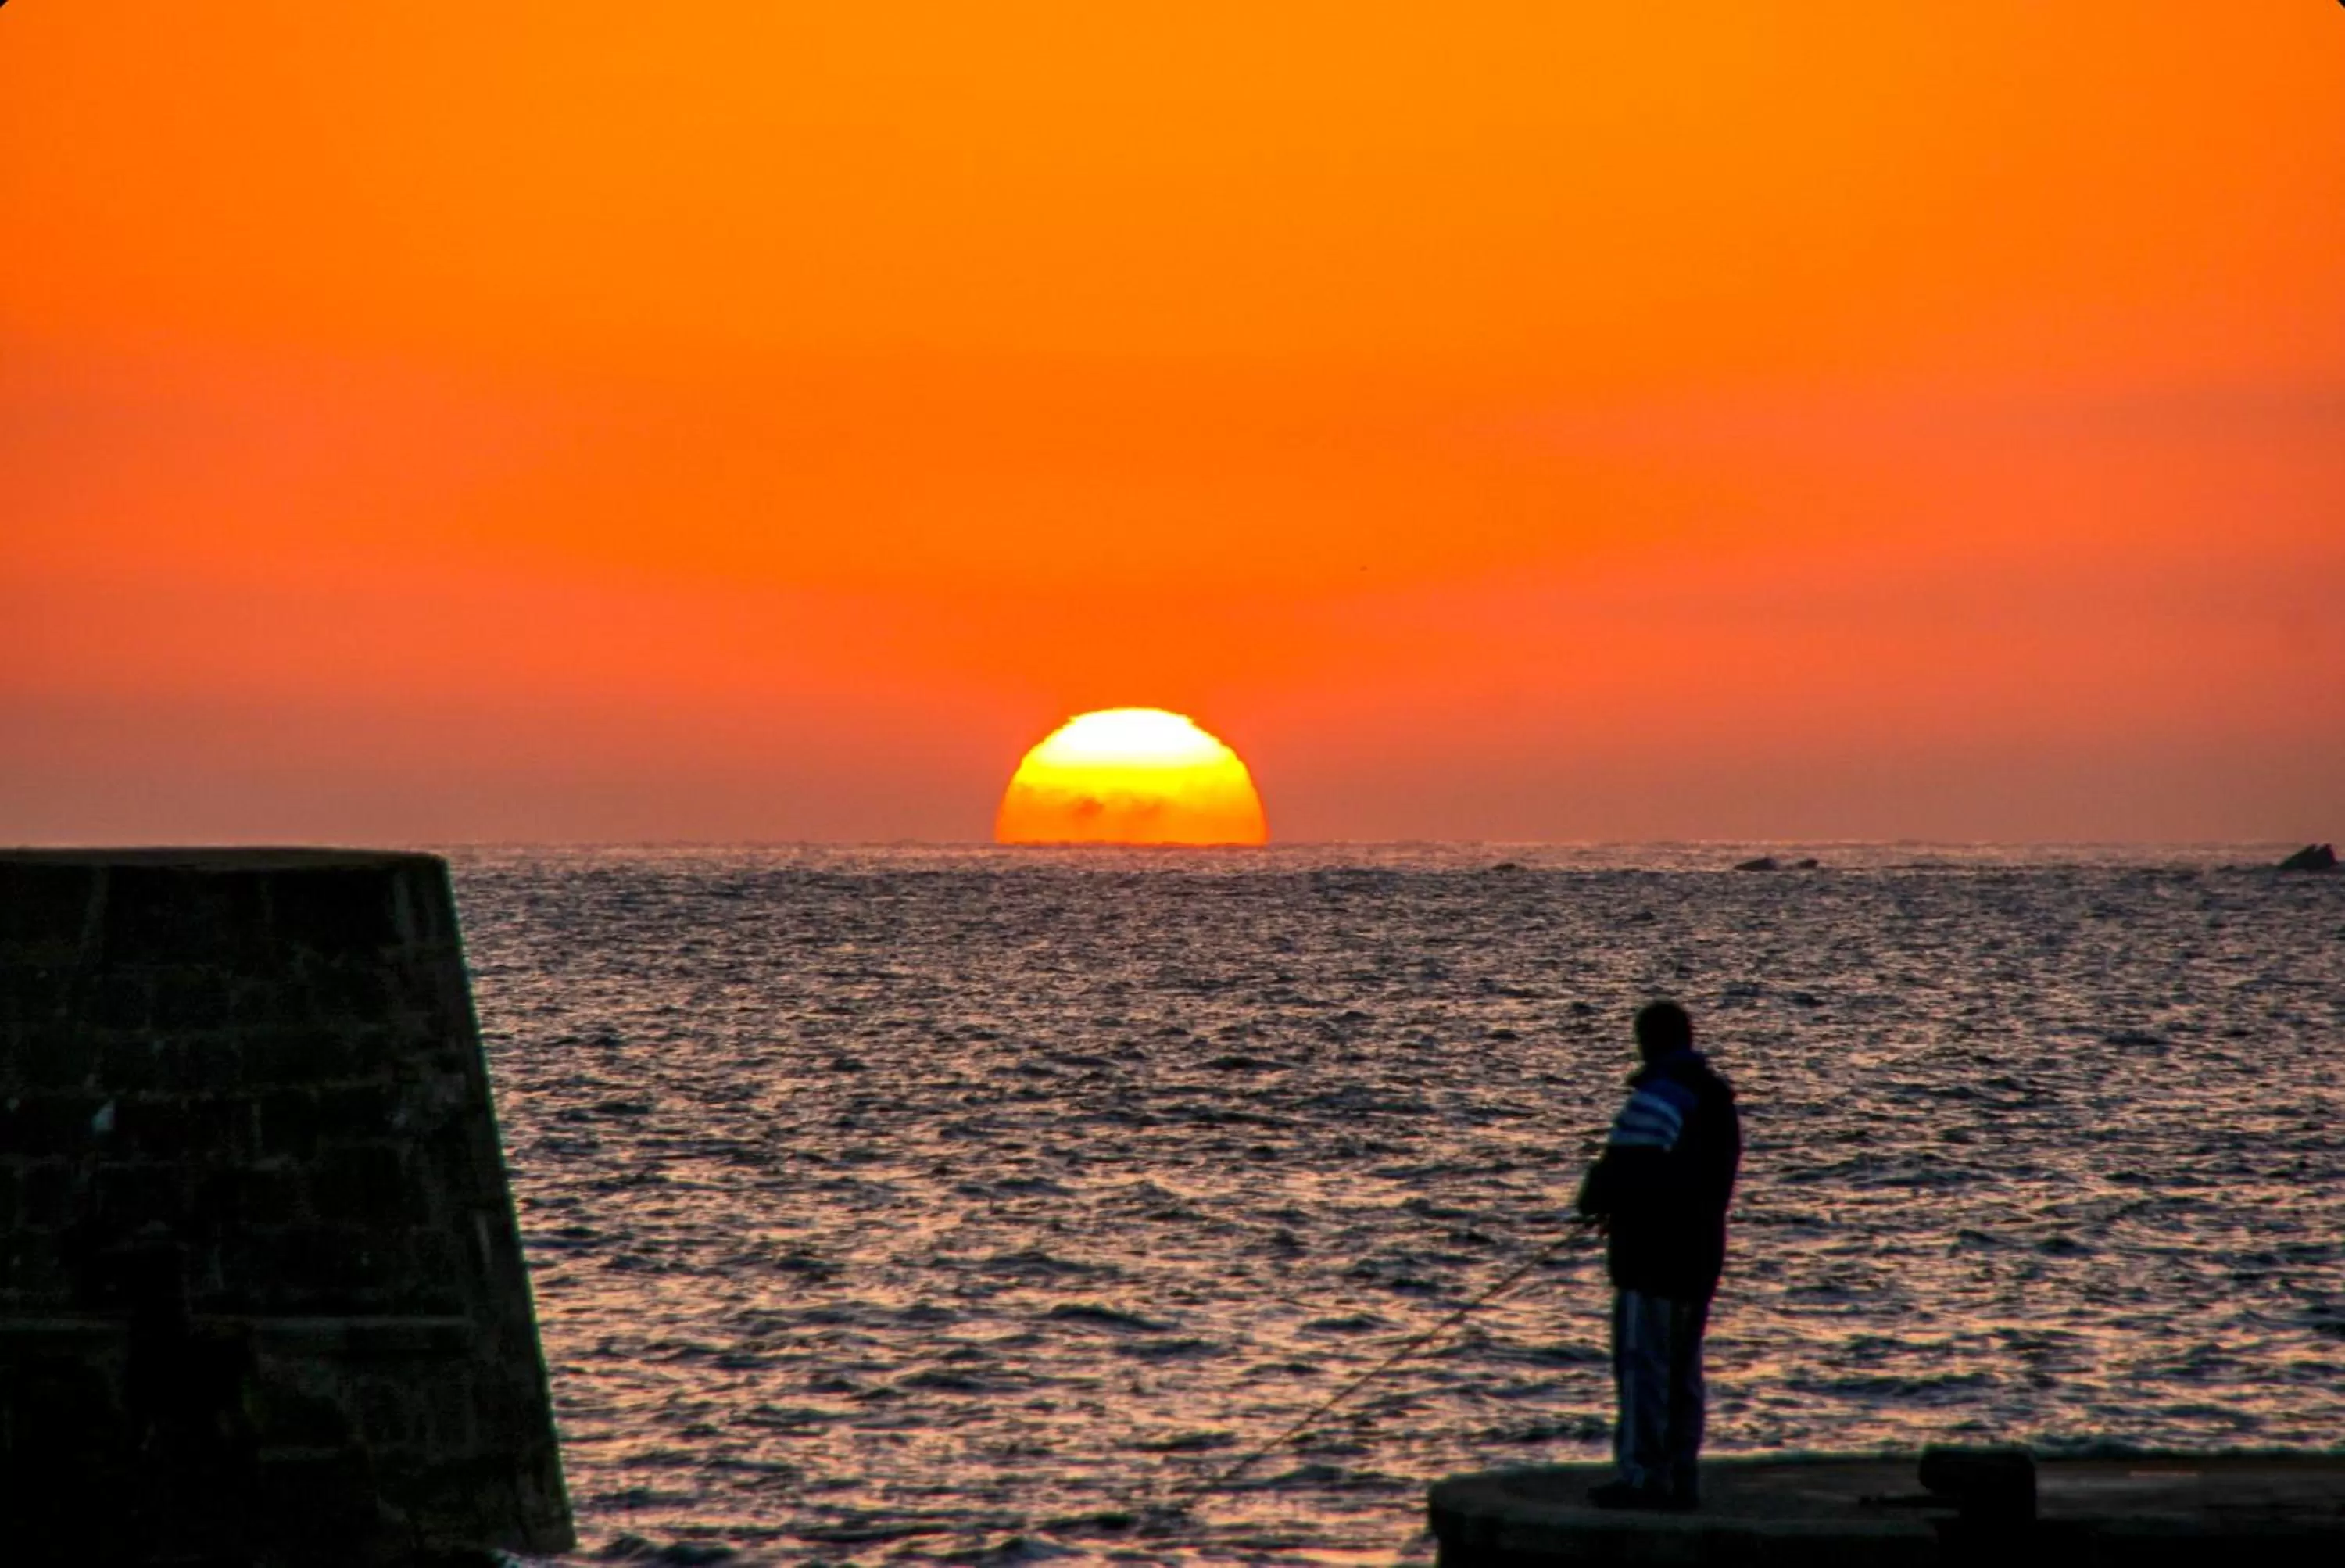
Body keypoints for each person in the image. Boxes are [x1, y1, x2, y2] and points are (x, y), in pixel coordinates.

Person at [1574, 999, 1741, 1510]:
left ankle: (1644, 1478)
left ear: (1647, 1041)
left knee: (1642, 1365)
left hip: (1651, 1260)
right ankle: (1680, 1474)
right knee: (1683, 1369)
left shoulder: (1658, 1098)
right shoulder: (1715, 1099)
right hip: (1701, 1255)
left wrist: (1596, 1205)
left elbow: (1618, 1173)